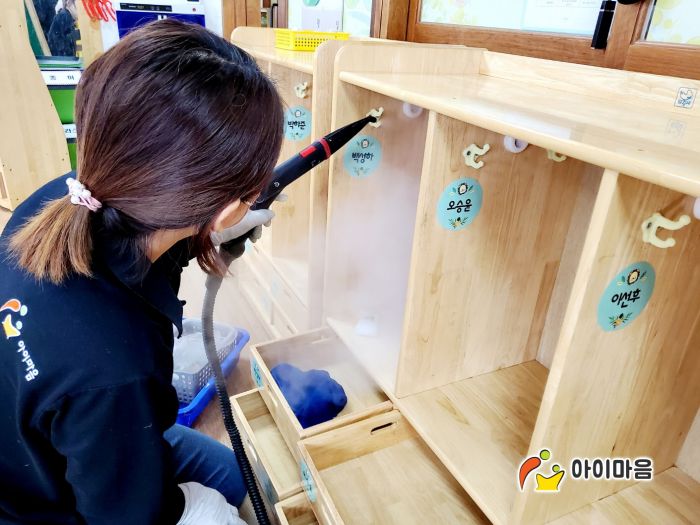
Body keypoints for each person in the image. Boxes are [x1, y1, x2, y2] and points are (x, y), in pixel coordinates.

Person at [0, 19, 283, 524]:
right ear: (225, 210)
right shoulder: (115, 370)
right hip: (41, 506)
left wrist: (202, 233)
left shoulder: (63, 200)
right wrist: (189, 512)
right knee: (233, 501)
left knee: (244, 477)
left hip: (51, 436)